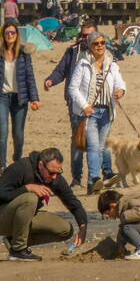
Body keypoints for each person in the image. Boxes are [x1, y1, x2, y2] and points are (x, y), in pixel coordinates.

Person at [0, 147, 87, 262]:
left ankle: (13, 241)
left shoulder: (55, 178)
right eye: (51, 173)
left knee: (65, 230)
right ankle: (18, 250)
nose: (54, 177)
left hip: (22, 218)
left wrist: (83, 227)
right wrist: (27, 188)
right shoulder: (21, 168)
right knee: (30, 198)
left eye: (58, 172)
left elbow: (74, 204)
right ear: (41, 165)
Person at [0, 22, 41, 174]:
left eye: (13, 32)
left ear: (17, 35)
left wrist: (35, 98)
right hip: (1, 97)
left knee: (18, 135)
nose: (10, 35)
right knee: (3, 132)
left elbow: (30, 77)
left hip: (20, 98)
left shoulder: (24, 54)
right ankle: (3, 167)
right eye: (7, 33)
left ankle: (16, 159)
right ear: (3, 35)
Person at [69, 30, 126, 193]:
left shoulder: (112, 64)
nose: (100, 46)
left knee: (101, 148)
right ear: (90, 46)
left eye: (102, 43)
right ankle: (94, 178)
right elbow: (72, 88)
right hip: (90, 113)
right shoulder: (83, 64)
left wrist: (120, 91)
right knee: (93, 147)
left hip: (107, 111)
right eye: (96, 43)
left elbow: (120, 83)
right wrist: (85, 106)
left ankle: (93, 184)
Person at [44, 19, 98, 188]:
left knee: (96, 139)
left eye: (90, 35)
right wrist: (51, 80)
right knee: (78, 138)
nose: (87, 39)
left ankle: (96, 176)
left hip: (97, 102)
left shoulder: (103, 50)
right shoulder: (73, 51)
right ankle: (76, 177)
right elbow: (61, 70)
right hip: (75, 101)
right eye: (84, 35)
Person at [97, 188, 140, 261]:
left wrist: (124, 216)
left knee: (127, 228)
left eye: (107, 214)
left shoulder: (130, 201)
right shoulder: (125, 205)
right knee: (124, 228)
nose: (109, 217)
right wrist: (120, 246)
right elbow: (122, 230)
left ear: (112, 206)